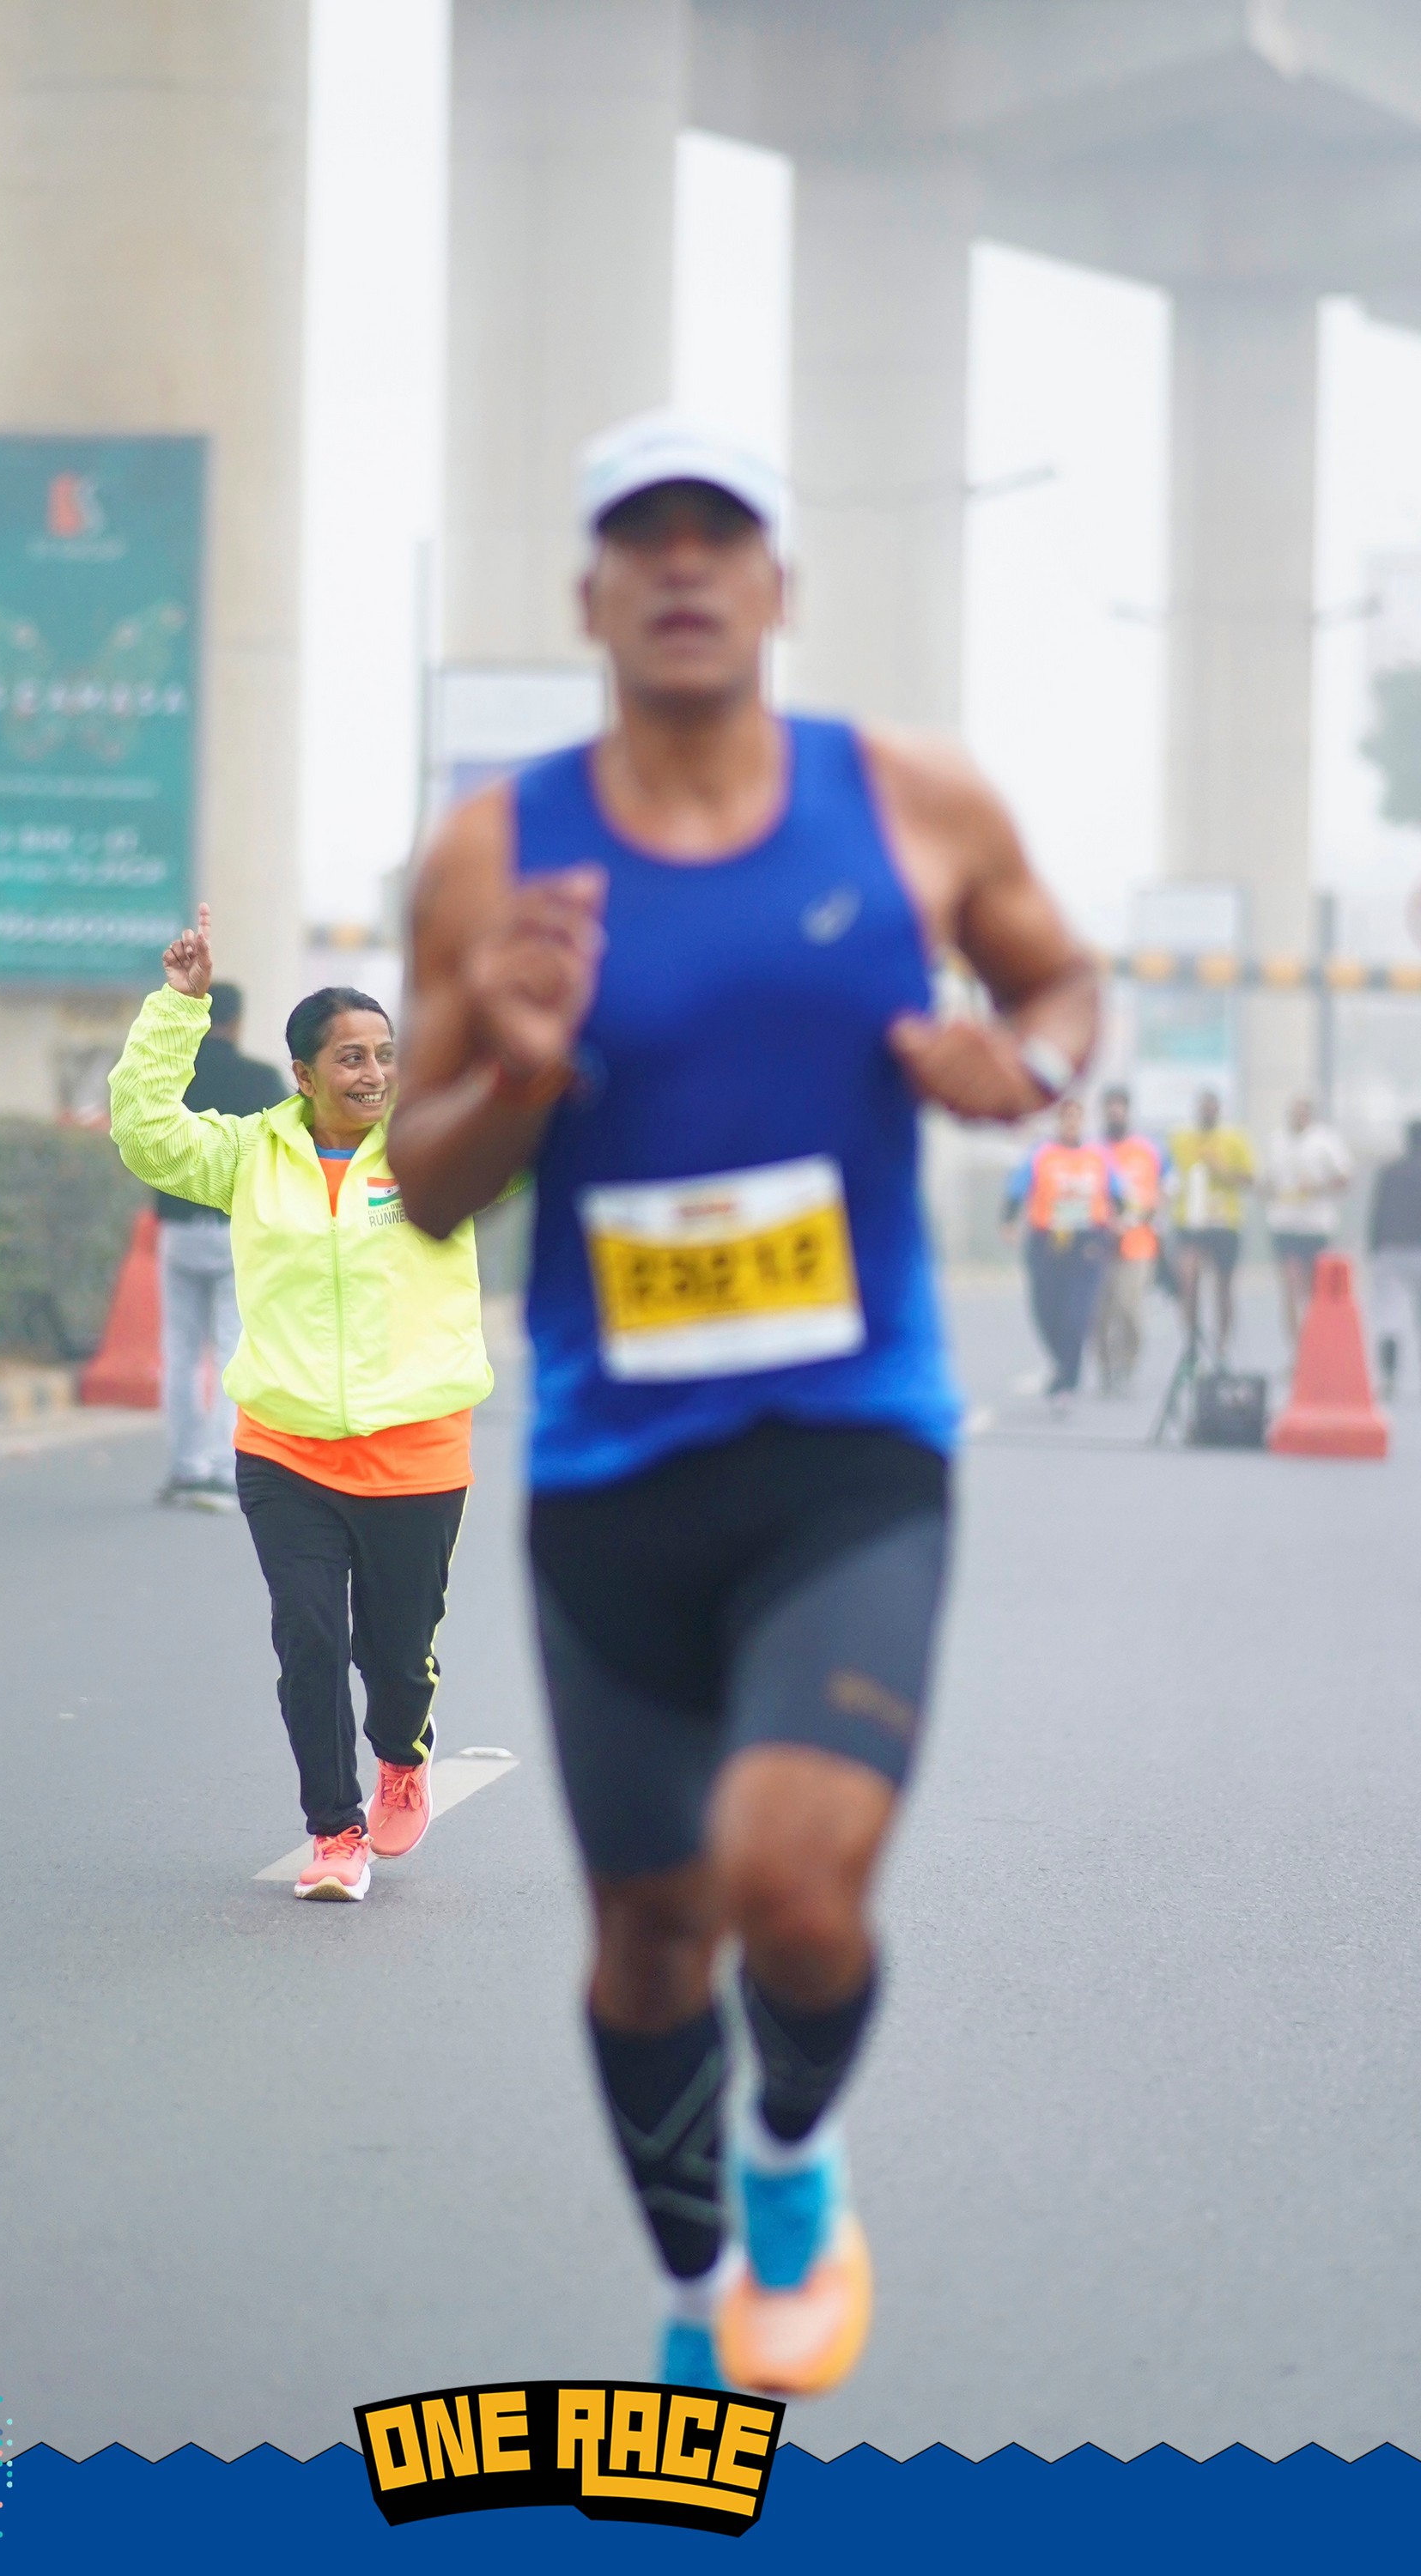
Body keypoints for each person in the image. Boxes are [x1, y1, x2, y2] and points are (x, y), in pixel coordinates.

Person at [386, 410, 1097, 2397]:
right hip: (614, 1470)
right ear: (589, 595)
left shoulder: (909, 800)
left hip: (848, 1445)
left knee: (790, 1883)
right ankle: (695, 2268)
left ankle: (790, 2154)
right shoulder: (495, 856)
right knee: (647, 1939)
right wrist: (518, 1070)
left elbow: (1057, 984)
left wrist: (1025, 1073)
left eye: (721, 535)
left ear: (777, 585)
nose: (684, 565)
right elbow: (424, 1183)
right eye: (646, 537)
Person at [110, 908, 497, 1901]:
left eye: (385, 1055)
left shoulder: (431, 1149)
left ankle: (402, 1752)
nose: (373, 1073)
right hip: (286, 1450)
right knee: (310, 1639)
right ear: (303, 1075)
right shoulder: (249, 1156)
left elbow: (527, 1123)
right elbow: (145, 1133)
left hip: (414, 1451)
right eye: (350, 1058)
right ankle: (334, 1830)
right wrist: (178, 1008)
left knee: (395, 1657)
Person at [151, 977, 286, 1509]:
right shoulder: (262, 1080)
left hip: (178, 1228)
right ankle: (222, 1466)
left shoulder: (175, 1078)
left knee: (180, 1350)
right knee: (232, 1348)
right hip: (236, 1228)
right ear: (239, 1021)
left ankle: (185, 1465)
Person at [1002, 1097, 1116, 1407]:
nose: (1071, 1124)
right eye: (1066, 1118)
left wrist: (1121, 1218)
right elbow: (1016, 1190)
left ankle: (1068, 1377)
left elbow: (1118, 1193)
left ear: (1083, 1122)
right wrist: (1009, 1222)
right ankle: (1061, 1362)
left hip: (1087, 1241)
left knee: (1077, 1315)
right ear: (1059, 1122)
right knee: (1045, 1310)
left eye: (1077, 1118)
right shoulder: (1041, 1155)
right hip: (1047, 1240)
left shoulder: (1098, 1156)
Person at [1168, 1088, 1256, 1358]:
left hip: (1224, 1222)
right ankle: (1192, 1338)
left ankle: (1222, 1343)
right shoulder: (1180, 1139)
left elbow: (1250, 1179)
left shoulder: (1234, 1139)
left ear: (1218, 1110)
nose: (1207, 1112)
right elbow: (1168, 1173)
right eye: (1203, 1107)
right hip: (1190, 1220)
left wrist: (1222, 1170)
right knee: (1188, 1278)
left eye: (1212, 1108)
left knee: (1223, 1286)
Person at [1095, 1084, 1168, 1394]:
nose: (1115, 1112)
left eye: (1120, 1106)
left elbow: (1166, 1186)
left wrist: (1156, 1210)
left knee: (1130, 1310)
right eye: (1110, 1106)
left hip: (1139, 1244)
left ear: (1127, 1111)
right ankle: (1106, 1367)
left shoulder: (1148, 1150)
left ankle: (1127, 1363)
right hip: (1100, 1245)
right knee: (1100, 1314)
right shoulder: (1093, 1151)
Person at [1264, 1094, 1351, 1347]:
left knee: (1314, 1289)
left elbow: (1344, 1178)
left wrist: (1317, 1187)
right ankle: (1297, 1348)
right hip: (1284, 1223)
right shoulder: (1277, 1142)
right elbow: (1266, 1181)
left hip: (1316, 1225)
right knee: (1290, 1286)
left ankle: (1316, 1343)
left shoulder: (1325, 1141)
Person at [1369, 1117, 1421, 1400]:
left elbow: (1377, 1212)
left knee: (1389, 1315)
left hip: (1391, 1253)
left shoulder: (1390, 1171)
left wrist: (1374, 1249)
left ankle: (1389, 1376)